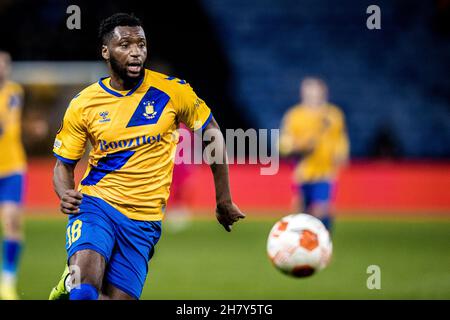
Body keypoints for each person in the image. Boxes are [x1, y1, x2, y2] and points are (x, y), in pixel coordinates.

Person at [49, 13, 245, 300]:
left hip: (144, 221)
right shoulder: (84, 104)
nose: (136, 51)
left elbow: (211, 133)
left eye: (141, 44)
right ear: (106, 51)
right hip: (96, 205)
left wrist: (223, 198)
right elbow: (63, 165)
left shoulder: (173, 91)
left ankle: (69, 284)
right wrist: (65, 193)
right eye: (125, 44)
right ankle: (75, 283)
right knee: (85, 287)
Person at [279, 78, 349, 231]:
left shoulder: (334, 115)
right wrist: (299, 147)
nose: (312, 96)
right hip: (302, 172)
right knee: (299, 211)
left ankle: (322, 243)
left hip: (325, 171)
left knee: (320, 210)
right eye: (308, 92)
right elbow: (284, 144)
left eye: (316, 92)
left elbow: (341, 139)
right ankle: (300, 245)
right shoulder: (295, 115)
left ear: (324, 93)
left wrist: (341, 153)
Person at [0, 51, 26, 300]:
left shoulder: (14, 92)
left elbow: (3, 127)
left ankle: (7, 281)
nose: (2, 69)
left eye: (5, 64)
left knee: (11, 223)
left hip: (11, 168)